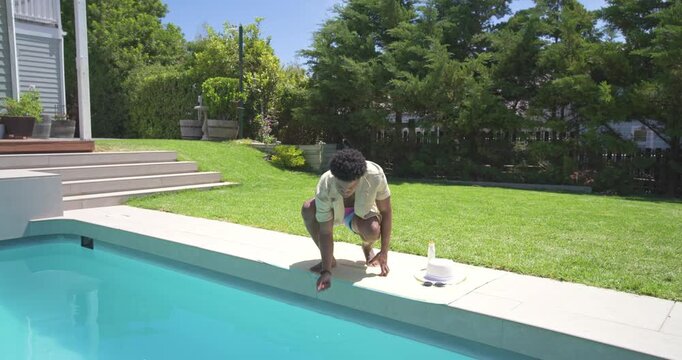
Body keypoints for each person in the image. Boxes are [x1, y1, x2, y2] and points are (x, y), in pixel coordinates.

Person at [301, 148, 392, 292]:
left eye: (350, 188)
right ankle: (330, 259)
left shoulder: (375, 175)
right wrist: (326, 271)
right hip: (334, 210)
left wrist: (384, 252)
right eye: (340, 187)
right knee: (307, 208)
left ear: (361, 178)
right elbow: (326, 232)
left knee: (373, 230)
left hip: (359, 213)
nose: (344, 192)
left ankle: (367, 247)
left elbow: (386, 211)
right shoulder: (325, 184)